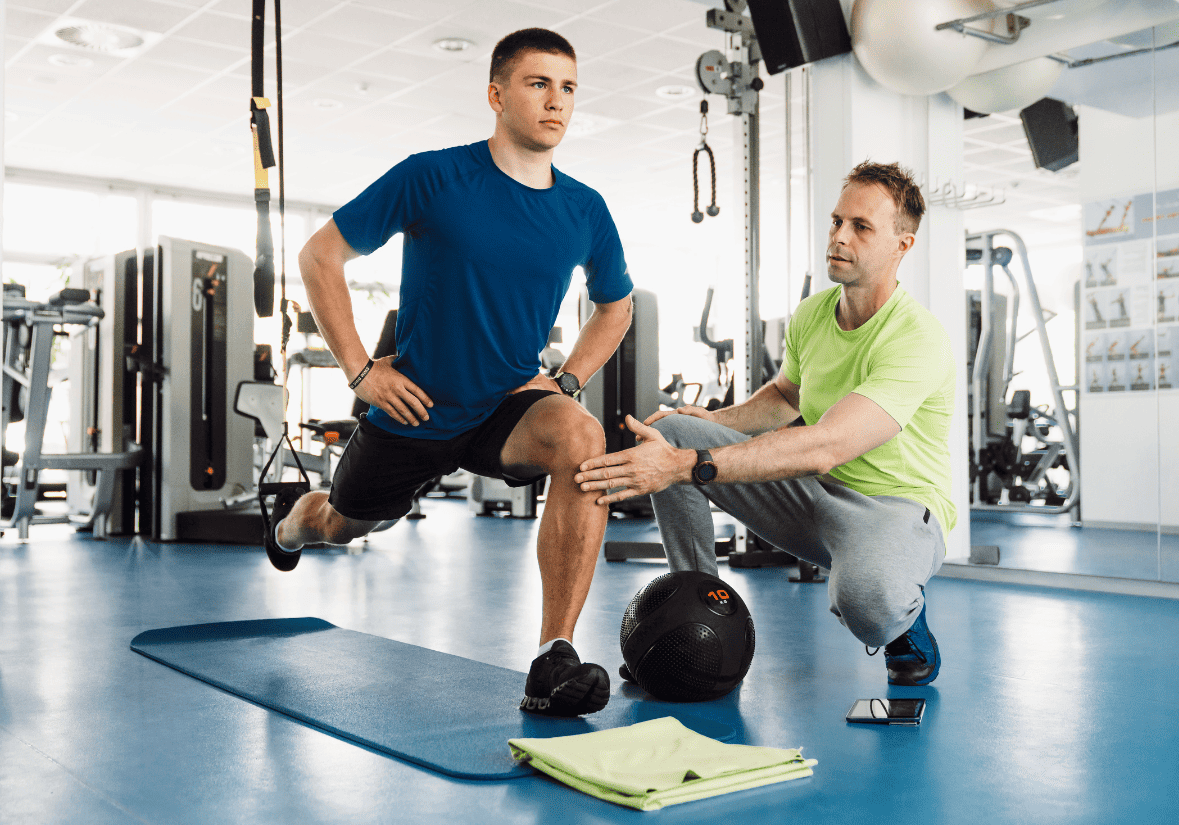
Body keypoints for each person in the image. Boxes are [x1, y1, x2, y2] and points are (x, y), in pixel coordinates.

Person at [271, 28, 634, 717]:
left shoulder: (583, 207)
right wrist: (358, 372)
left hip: (507, 404)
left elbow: (614, 306)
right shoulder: (433, 176)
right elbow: (320, 257)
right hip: (413, 408)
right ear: (496, 95)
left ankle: (552, 654)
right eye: (537, 84)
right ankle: (292, 523)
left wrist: (567, 382)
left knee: (582, 440)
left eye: (567, 88)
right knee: (343, 527)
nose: (556, 102)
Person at [575, 161, 955, 687]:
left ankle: (906, 628)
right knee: (676, 429)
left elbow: (827, 443)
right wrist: (711, 421)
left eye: (860, 227)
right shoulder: (812, 314)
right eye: (836, 221)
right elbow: (784, 397)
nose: (839, 237)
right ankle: (695, 616)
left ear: (902, 246)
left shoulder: (917, 336)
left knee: (868, 599)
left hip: (891, 509)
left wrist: (689, 465)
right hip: (810, 494)